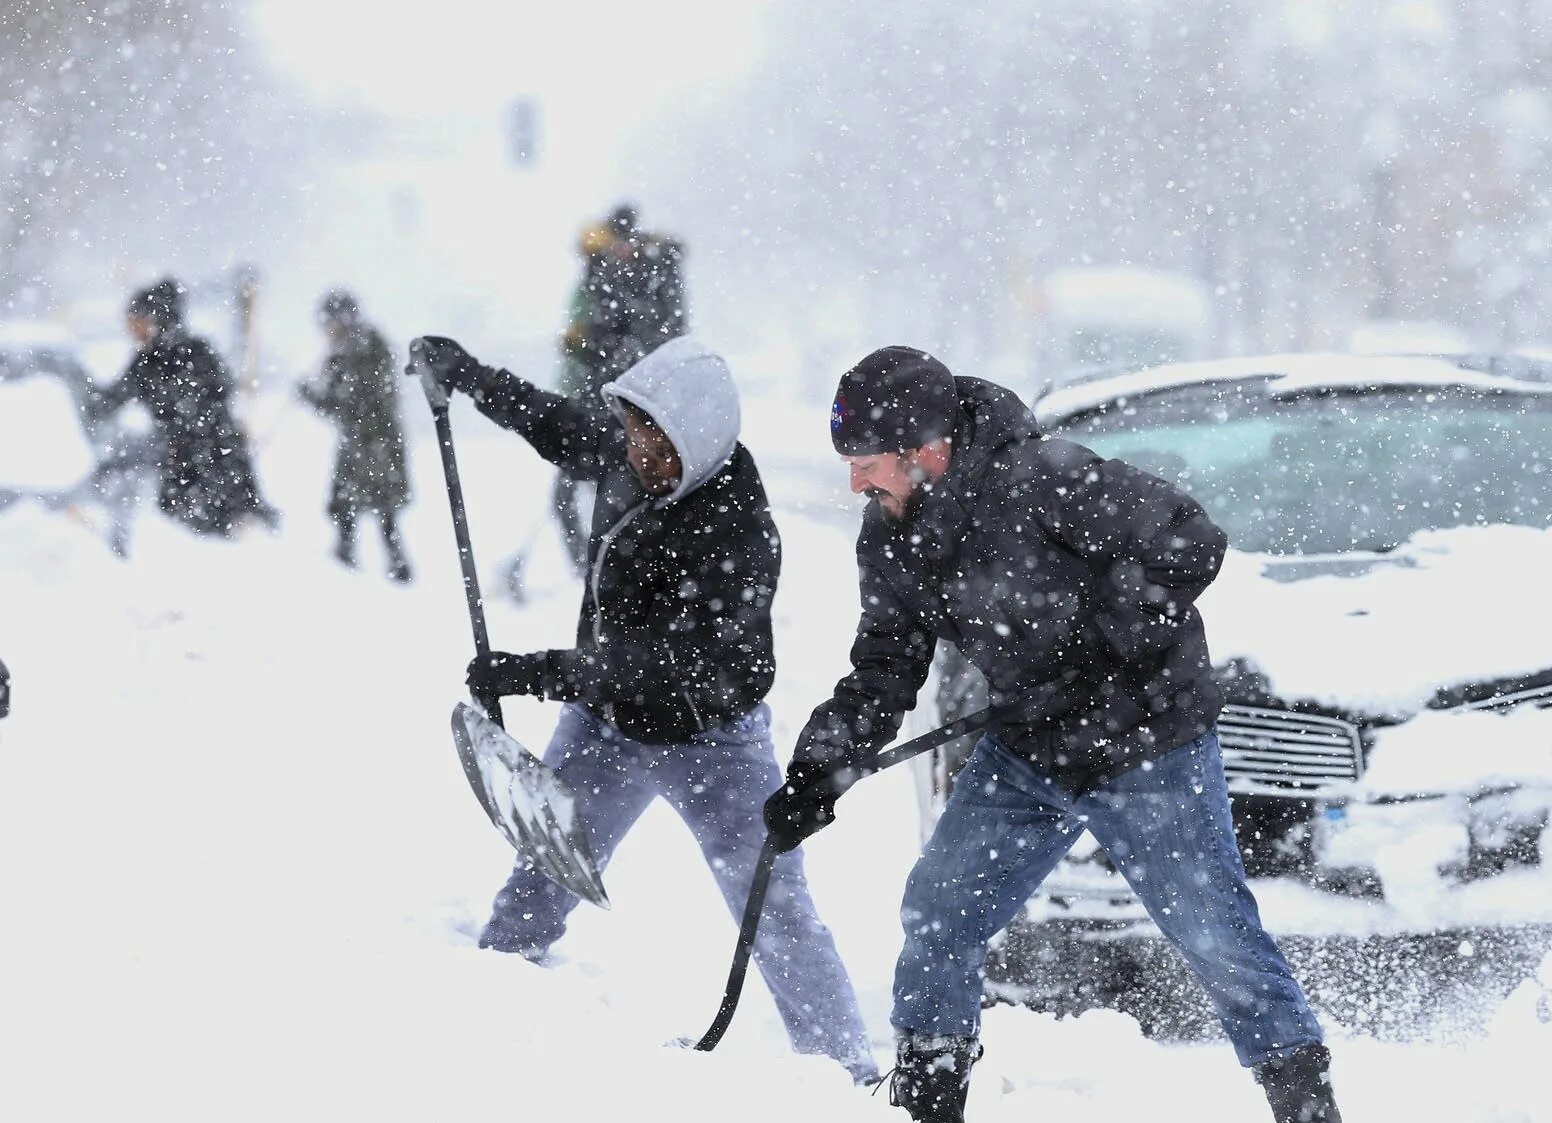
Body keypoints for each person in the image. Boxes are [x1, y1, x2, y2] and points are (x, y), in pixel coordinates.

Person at [763, 347, 1340, 1123]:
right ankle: (931, 1102)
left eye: (868, 464)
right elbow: (883, 668)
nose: (857, 483)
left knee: (1214, 934)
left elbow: (1190, 536)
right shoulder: (892, 536)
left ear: (925, 449)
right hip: (1031, 752)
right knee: (940, 912)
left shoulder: (1043, 478)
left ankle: (1305, 1103)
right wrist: (818, 768)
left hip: (1147, 741)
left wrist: (1114, 639)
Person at [406, 333, 877, 1083]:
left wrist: (543, 672)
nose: (635, 454)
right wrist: (465, 374)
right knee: (546, 866)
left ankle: (848, 1072)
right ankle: (492, 998)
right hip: (605, 725)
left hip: (712, 742)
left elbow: (677, 665)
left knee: (775, 906)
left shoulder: (739, 530)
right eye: (630, 434)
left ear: (695, 438)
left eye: (652, 442)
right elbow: (552, 421)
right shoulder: (636, 455)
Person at [548, 204, 690, 574]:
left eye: (619, 246)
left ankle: (608, 567)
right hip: (598, 400)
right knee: (570, 496)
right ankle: (590, 566)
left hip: (627, 407)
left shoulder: (651, 278)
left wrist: (588, 346)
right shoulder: (606, 278)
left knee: (623, 494)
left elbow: (649, 339)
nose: (616, 254)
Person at [88, 278, 275, 538]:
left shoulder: (190, 355)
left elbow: (211, 402)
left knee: (212, 538)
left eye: (137, 321)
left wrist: (184, 434)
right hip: (186, 465)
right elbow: (109, 402)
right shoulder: (148, 361)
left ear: (156, 320)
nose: (131, 329)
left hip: (210, 464)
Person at [298, 291, 412, 581]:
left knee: (379, 511)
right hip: (362, 443)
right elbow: (342, 405)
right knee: (353, 509)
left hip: (376, 443)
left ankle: (391, 569)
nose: (326, 332)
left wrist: (316, 395)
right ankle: (348, 563)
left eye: (329, 325)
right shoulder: (352, 351)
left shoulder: (366, 350)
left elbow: (354, 404)